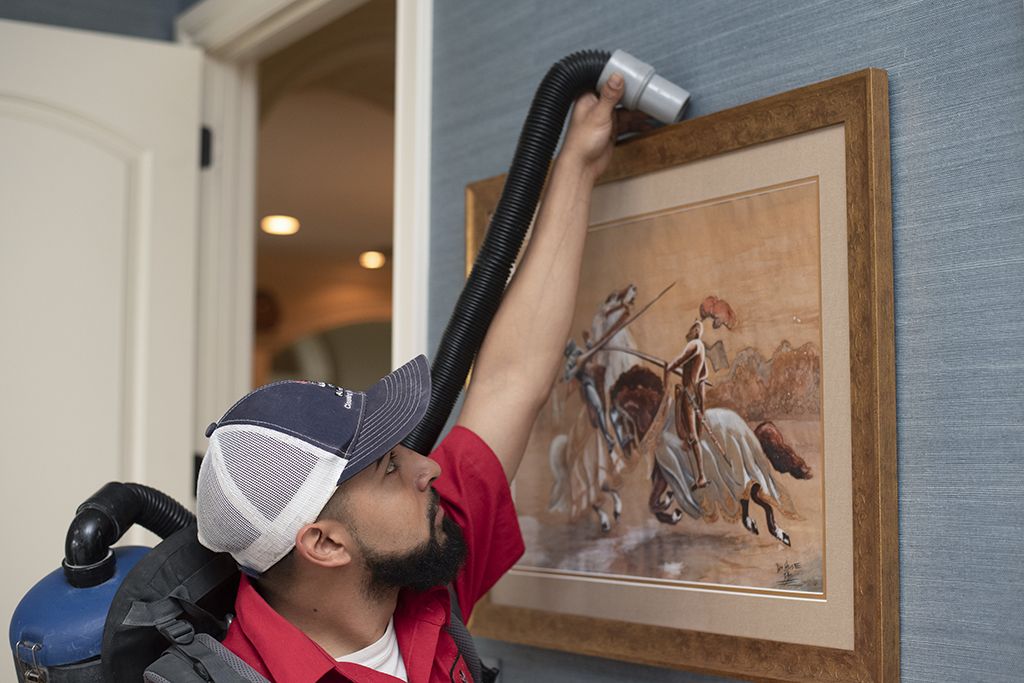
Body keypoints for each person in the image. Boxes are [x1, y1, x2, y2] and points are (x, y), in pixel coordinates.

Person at [194, 72, 628, 682]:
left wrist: (577, 163)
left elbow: (511, 380)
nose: (429, 467)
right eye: (390, 468)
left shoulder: (417, 582)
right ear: (324, 544)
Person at [664, 319, 711, 490]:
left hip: (689, 394)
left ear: (696, 331)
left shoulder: (695, 344)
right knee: (690, 434)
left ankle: (701, 476)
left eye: (692, 329)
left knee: (692, 434)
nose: (688, 332)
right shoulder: (701, 348)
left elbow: (679, 360)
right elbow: (703, 373)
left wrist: (669, 367)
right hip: (692, 392)